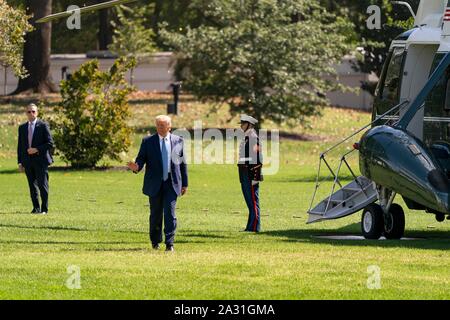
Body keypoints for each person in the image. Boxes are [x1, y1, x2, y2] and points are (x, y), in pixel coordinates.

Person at [127, 115, 188, 252]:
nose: (160, 127)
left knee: (170, 213)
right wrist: (136, 167)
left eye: (163, 125)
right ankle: (155, 241)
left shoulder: (178, 141)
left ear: (169, 126)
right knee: (155, 214)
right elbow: (141, 159)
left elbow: (183, 164)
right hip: (154, 183)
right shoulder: (148, 141)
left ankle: (169, 243)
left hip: (172, 183)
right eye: (158, 125)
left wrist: (185, 183)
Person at [17, 103, 54, 214]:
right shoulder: (22, 128)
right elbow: (20, 146)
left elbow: (50, 143)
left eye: (33, 111)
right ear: (26, 113)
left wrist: (36, 149)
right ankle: (36, 208)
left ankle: (44, 209)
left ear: (37, 112)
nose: (31, 113)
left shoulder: (43, 125)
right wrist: (20, 162)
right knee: (32, 186)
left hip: (41, 161)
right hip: (28, 162)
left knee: (43, 185)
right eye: (29, 111)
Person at [238, 114, 263, 232]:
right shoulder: (247, 137)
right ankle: (250, 226)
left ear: (249, 125)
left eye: (243, 124)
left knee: (253, 201)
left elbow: (258, 159)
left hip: (250, 174)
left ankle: (254, 227)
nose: (241, 126)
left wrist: (255, 177)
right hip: (245, 173)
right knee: (249, 201)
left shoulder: (253, 138)